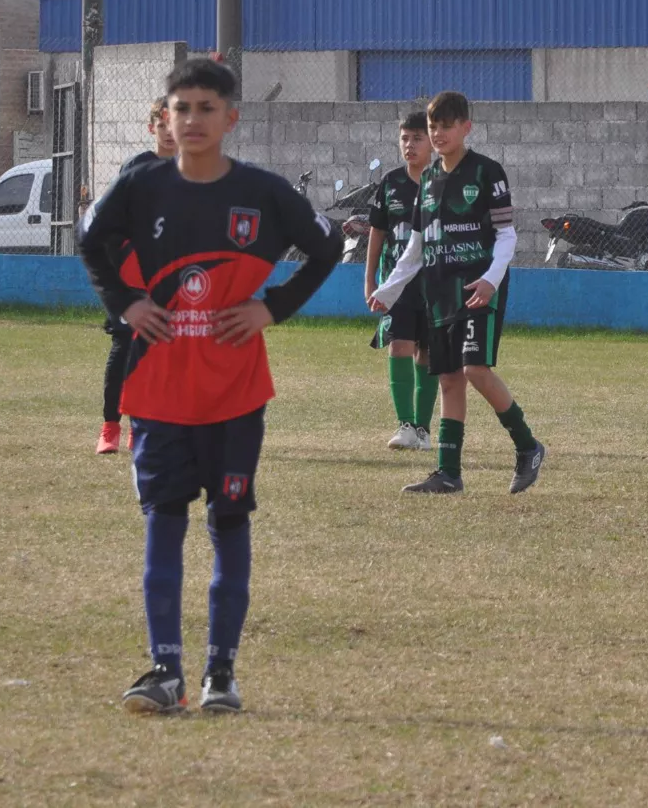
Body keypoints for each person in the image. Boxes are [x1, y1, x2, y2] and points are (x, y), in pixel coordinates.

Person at [78, 59, 342, 714]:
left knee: (228, 522)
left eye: (205, 107)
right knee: (163, 527)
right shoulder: (141, 188)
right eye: (181, 107)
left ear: (231, 117)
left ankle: (220, 676)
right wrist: (127, 302)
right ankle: (164, 672)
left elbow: (326, 248)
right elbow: (92, 242)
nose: (192, 119)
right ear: (165, 117)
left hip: (235, 395)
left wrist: (272, 308)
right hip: (159, 393)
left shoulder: (263, 191)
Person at [368, 91, 545, 495]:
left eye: (447, 126)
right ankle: (448, 473)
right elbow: (418, 245)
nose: (439, 133)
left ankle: (528, 445)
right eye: (433, 127)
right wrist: (390, 288)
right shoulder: (428, 179)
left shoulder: (486, 172)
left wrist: (491, 279)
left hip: (478, 289)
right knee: (449, 378)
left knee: (474, 370)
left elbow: (506, 234)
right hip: (439, 292)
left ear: (466, 127)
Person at [96, 96, 178, 455]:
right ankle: (110, 428)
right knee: (125, 346)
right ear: (152, 129)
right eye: (162, 125)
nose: (169, 132)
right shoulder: (136, 168)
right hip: (131, 275)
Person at [365, 111, 438, 451]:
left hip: (436, 284)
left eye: (417, 138)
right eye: (404, 138)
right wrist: (371, 282)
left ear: (432, 143)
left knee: (427, 352)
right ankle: (405, 424)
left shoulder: (443, 182)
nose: (410, 145)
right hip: (398, 286)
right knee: (399, 345)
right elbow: (377, 234)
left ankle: (423, 430)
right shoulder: (390, 184)